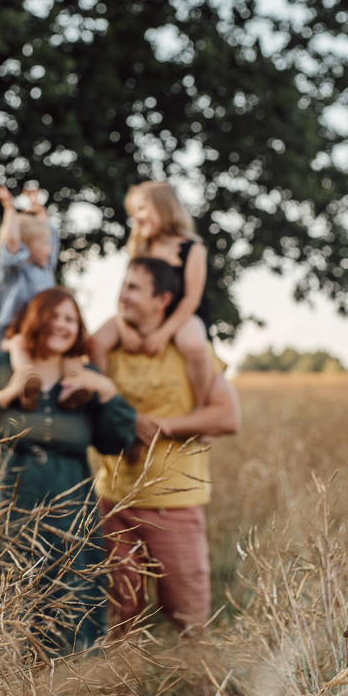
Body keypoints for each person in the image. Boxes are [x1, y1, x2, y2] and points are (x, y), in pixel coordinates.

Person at [0, 287, 136, 654]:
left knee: (69, 598)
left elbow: (118, 441)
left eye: (70, 318)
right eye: (54, 316)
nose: (62, 325)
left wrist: (107, 390)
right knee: (3, 597)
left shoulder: (84, 375)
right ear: (34, 319)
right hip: (4, 507)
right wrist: (8, 393)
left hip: (69, 509)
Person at [94, 257, 240, 637]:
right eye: (123, 285)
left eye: (134, 288)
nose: (122, 295)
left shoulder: (190, 350)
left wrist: (163, 427)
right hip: (114, 500)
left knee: (187, 614)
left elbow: (227, 417)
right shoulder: (109, 348)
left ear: (162, 299)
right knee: (120, 611)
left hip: (174, 503)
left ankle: (204, 693)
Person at [92, 181, 213, 406]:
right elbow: (125, 291)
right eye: (133, 212)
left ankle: (201, 404)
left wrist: (164, 333)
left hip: (182, 314)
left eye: (141, 209)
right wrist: (124, 326)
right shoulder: (140, 246)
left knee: (195, 346)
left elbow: (191, 299)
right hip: (141, 313)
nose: (136, 217)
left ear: (164, 208)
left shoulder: (192, 248)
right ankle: (104, 402)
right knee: (96, 342)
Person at [0, 184, 84, 410]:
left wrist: (37, 209)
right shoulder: (13, 273)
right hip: (16, 332)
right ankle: (27, 384)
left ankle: (73, 389)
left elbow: (51, 234)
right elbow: (10, 244)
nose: (51, 247)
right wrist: (10, 209)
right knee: (20, 345)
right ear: (27, 247)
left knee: (70, 353)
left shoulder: (45, 268)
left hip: (44, 331)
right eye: (44, 243)